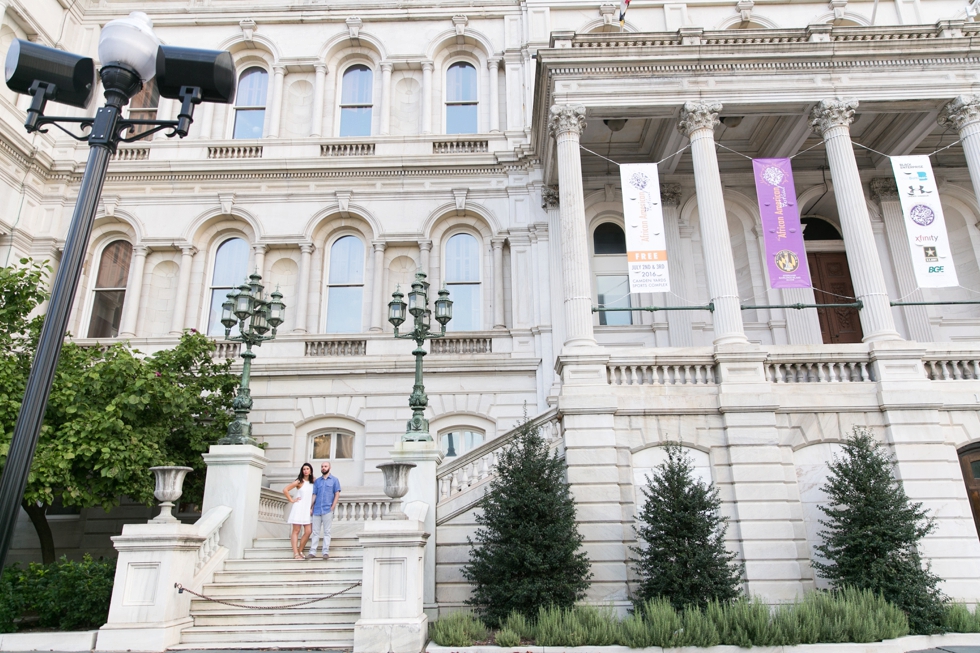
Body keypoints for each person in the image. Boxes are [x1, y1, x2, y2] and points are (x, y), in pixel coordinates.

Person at [308, 461, 341, 560]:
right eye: (322, 466)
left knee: (327, 532)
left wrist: (332, 507)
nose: (323, 468)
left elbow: (337, 494)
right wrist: (311, 507)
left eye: (325, 466)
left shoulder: (334, 480)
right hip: (317, 510)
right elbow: (314, 495)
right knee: (315, 532)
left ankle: (325, 552)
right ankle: (312, 552)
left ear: (329, 468)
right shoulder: (317, 481)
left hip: (327, 509)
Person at [284, 463, 315, 559]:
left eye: (307, 469)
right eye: (304, 469)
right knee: (296, 530)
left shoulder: (314, 481)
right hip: (299, 507)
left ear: (310, 471)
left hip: (307, 509)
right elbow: (285, 490)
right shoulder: (299, 481)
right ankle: (296, 553)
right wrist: (292, 500)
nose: (305, 470)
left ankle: (300, 550)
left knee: (308, 531)